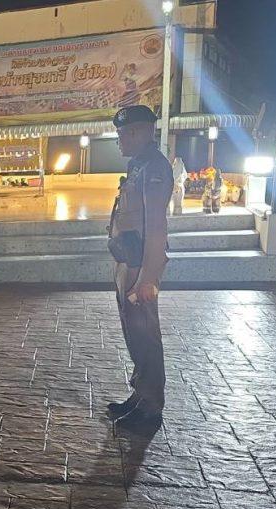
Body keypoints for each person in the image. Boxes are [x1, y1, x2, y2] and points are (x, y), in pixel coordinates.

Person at [105, 104, 171, 426]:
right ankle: (140, 395)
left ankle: (151, 407)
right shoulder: (138, 166)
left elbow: (156, 226)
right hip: (127, 261)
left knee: (146, 336)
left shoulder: (154, 169)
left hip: (140, 266)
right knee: (134, 334)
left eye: (122, 134)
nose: (119, 140)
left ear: (139, 132)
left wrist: (148, 277)